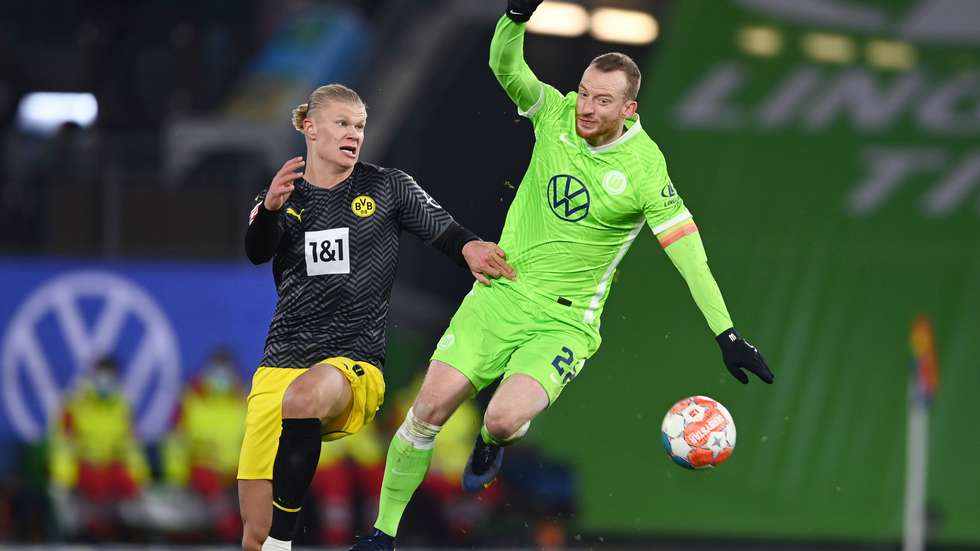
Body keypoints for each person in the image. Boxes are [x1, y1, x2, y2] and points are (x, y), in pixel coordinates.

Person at [348, 2, 775, 549]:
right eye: (585, 93)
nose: (586, 107)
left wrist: (727, 334)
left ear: (629, 108)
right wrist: (514, 17)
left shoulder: (646, 170)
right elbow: (505, 66)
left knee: (502, 420)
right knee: (426, 411)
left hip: (564, 324)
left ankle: (491, 440)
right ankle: (382, 535)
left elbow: (690, 256)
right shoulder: (555, 113)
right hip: (499, 295)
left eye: (603, 100)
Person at [237, 83, 515, 551]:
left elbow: (444, 230)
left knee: (302, 399)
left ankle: (282, 543)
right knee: (253, 536)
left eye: (360, 126)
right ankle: (272, 542)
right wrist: (268, 211)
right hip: (280, 362)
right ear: (311, 128)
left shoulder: (387, 187)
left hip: (353, 362)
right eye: (342, 123)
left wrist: (471, 247)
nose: (354, 134)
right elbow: (256, 251)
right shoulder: (284, 196)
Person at [163, 347, 247, 542]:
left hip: (235, 472)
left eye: (226, 371)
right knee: (214, 495)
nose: (221, 377)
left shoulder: (243, 402)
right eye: (217, 370)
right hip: (202, 469)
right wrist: (176, 477)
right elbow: (176, 441)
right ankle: (228, 537)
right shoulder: (191, 400)